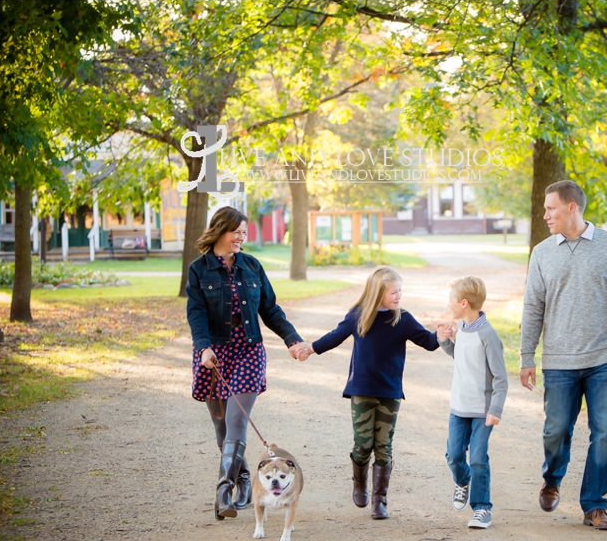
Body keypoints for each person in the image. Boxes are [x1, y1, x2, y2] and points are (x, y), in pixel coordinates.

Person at [520, 180, 607, 530]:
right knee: (556, 430)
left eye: (551, 209)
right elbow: (533, 307)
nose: (545, 215)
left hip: (603, 358)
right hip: (560, 361)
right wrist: (526, 356)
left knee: (605, 430)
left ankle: (595, 504)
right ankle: (552, 478)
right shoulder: (542, 252)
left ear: (571, 207)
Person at [186, 206, 308, 520]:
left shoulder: (251, 267)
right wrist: (203, 348)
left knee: (237, 422)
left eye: (245, 232)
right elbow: (196, 313)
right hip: (214, 354)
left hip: (249, 350)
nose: (241, 237)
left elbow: (270, 310)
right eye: (236, 232)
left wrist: (292, 339)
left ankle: (223, 492)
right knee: (221, 429)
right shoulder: (199, 270)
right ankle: (241, 477)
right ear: (219, 231)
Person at [295, 266, 443, 520]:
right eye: (394, 292)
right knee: (363, 445)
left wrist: (441, 335)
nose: (398, 296)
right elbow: (335, 336)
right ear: (378, 292)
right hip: (362, 390)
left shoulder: (402, 318)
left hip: (390, 391)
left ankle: (379, 500)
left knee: (384, 446)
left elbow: (428, 342)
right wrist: (310, 348)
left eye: (400, 291)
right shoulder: (359, 316)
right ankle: (360, 482)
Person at [438, 276, 508, 529]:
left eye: (451, 301)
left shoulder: (488, 335)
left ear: (464, 303)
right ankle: (463, 480)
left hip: (482, 411)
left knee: (478, 457)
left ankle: (482, 508)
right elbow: (461, 358)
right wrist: (445, 341)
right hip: (459, 407)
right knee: (454, 456)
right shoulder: (464, 330)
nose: (449, 304)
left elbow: (500, 377)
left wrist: (495, 410)